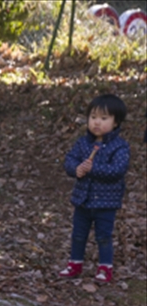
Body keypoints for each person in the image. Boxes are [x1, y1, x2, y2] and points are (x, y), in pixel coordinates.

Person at [59, 93, 130, 284]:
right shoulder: (83, 143)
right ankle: (75, 263)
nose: (97, 122)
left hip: (106, 202)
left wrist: (93, 168)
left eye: (104, 118)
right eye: (93, 117)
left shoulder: (119, 147)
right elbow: (70, 160)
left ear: (115, 122)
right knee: (78, 234)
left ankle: (105, 267)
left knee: (103, 236)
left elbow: (117, 170)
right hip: (83, 199)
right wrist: (76, 169)